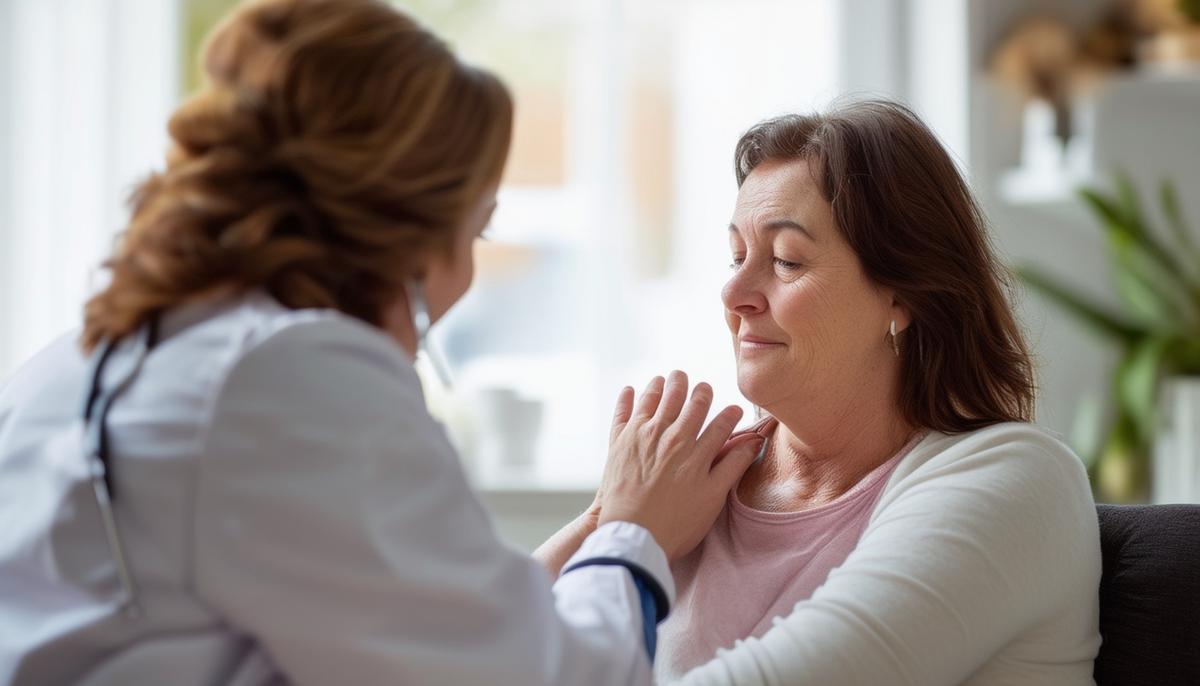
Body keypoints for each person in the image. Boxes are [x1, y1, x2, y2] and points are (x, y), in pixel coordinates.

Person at [0, 1, 766, 684]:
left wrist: (606, 523)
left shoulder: (74, 365)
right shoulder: (290, 379)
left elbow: (417, 621)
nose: (467, 275)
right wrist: (639, 539)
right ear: (402, 238)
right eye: (476, 230)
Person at [535, 101, 1102, 685]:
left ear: (901, 296)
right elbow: (469, 657)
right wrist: (608, 519)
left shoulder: (1015, 481)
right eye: (735, 257)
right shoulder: (683, 494)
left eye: (784, 260)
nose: (734, 292)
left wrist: (630, 537)